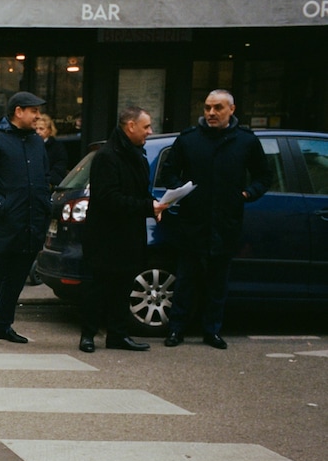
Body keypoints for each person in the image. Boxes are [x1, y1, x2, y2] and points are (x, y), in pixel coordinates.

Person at [159, 89, 271, 349]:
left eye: (218, 108)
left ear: (231, 109)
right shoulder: (189, 139)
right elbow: (169, 173)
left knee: (218, 283)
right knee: (185, 280)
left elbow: (263, 175)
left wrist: (247, 193)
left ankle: (212, 331)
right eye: (207, 107)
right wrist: (182, 191)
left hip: (225, 223)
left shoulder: (245, 141)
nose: (211, 113)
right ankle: (176, 329)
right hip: (193, 222)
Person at [79, 106, 169, 353]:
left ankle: (118, 335)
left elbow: (138, 192)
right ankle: (88, 335)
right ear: (131, 126)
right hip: (105, 236)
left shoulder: (137, 155)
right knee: (98, 287)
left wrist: (153, 205)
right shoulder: (107, 157)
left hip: (129, 234)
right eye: (146, 126)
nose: (149, 131)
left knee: (122, 287)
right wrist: (147, 206)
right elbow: (108, 198)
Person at [0, 91, 50, 347]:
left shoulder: (36, 141)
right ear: (18, 111)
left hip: (31, 222)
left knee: (16, 280)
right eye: (34, 111)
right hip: (4, 223)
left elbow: (43, 177)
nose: (38, 116)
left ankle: (4, 326)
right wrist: (1, 205)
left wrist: (44, 207)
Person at [35, 113, 69, 188]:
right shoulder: (31, 145)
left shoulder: (57, 147)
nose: (38, 132)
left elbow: (60, 167)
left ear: (50, 130)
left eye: (41, 129)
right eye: (36, 129)